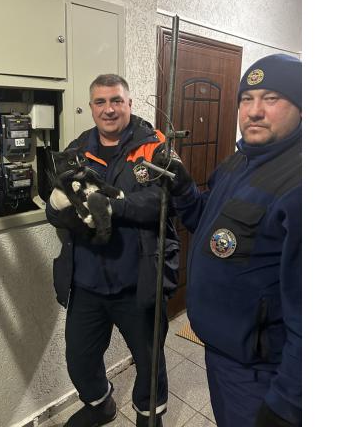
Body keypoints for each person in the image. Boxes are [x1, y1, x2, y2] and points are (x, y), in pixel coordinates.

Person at [156, 54, 302, 426]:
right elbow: (208, 226)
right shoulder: (239, 162)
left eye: (271, 99)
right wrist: (184, 189)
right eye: (246, 99)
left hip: (261, 371)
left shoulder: (300, 185)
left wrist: (288, 403)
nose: (254, 111)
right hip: (222, 350)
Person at [46, 74, 180, 427]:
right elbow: (57, 209)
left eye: (117, 100)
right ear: (91, 107)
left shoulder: (154, 146)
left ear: (129, 103)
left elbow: (166, 201)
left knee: (149, 362)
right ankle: (99, 405)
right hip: (86, 283)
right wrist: (56, 205)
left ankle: (149, 416)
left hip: (137, 282)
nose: (109, 109)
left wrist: (114, 205)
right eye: (101, 102)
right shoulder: (76, 149)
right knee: (79, 359)